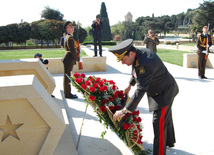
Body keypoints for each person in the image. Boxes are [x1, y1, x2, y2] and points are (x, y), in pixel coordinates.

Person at [109, 39, 179, 155]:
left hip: (164, 93)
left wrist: (125, 110)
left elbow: (141, 89)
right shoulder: (138, 54)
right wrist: (130, 85)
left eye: (123, 59)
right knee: (166, 117)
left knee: (159, 123)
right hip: (160, 89)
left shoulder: (146, 62)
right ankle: (170, 141)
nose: (122, 63)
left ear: (130, 54)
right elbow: (136, 70)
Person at [61, 21, 79, 99]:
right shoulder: (70, 38)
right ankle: (68, 94)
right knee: (67, 77)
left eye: (72, 26)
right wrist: (77, 59)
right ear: (67, 29)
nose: (72, 27)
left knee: (67, 76)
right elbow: (72, 50)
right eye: (70, 27)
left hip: (69, 58)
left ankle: (68, 92)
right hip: (69, 58)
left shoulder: (70, 37)